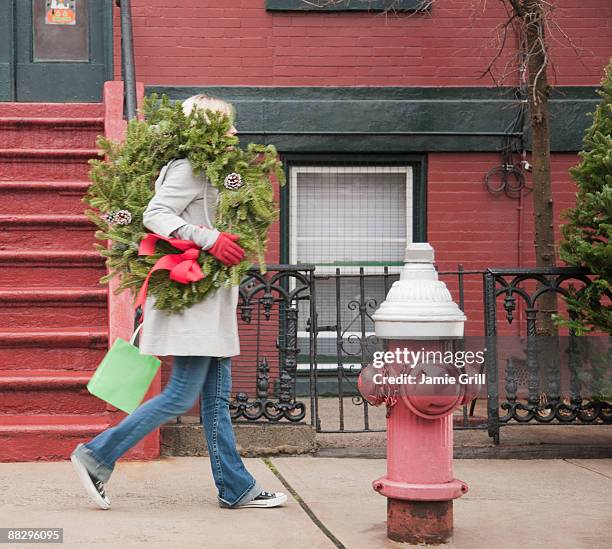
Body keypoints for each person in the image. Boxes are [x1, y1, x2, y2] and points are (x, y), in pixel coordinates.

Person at [71, 94, 288, 511]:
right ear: (205, 128)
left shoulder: (219, 172)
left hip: (211, 303)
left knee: (215, 399)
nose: (235, 133)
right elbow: (155, 214)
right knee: (179, 395)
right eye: (226, 125)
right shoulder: (188, 168)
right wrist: (209, 237)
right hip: (194, 301)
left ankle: (235, 487)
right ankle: (97, 455)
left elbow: (226, 206)